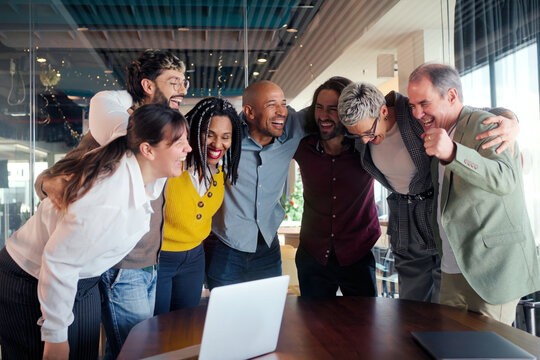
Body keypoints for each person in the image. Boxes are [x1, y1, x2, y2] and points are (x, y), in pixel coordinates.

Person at [0, 104, 191, 360]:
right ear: (147, 150)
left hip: (81, 279)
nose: (188, 149)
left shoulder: (148, 173)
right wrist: (55, 337)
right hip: (30, 276)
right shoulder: (107, 198)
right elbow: (59, 264)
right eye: (180, 143)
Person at [34, 49, 189, 359]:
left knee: (132, 346)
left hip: (149, 259)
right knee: (133, 349)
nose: (183, 89)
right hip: (120, 265)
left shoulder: (166, 129)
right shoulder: (116, 123)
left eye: (184, 81)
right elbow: (51, 178)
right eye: (174, 81)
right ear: (148, 85)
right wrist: (48, 185)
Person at [338, 80, 519, 303]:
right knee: (411, 305)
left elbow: (480, 115)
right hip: (404, 223)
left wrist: (511, 121)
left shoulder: (415, 114)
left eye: (369, 132)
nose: (365, 140)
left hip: (439, 213)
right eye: (358, 136)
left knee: (446, 302)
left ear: (383, 110)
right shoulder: (364, 132)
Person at [407, 63, 540, 324]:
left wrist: (454, 153)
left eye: (424, 103)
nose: (417, 113)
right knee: (451, 348)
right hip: (453, 267)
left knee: (491, 350)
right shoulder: (439, 134)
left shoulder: (485, 123)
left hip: (492, 268)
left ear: (452, 96)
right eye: (412, 105)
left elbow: (505, 179)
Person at [205, 80, 307, 289]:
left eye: (283, 103)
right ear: (249, 112)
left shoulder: (292, 128)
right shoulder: (228, 138)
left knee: (267, 314)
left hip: (268, 247)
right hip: (226, 246)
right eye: (272, 104)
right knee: (224, 316)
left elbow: (326, 114)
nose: (282, 112)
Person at [293, 76, 380, 297]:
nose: (323, 116)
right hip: (313, 255)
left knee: (364, 326)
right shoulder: (303, 148)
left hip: (358, 253)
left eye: (332, 109)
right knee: (314, 328)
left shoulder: (367, 148)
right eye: (319, 108)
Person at [154, 97, 242, 314]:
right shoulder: (172, 164)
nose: (217, 144)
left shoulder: (220, 171)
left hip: (194, 258)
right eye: (209, 134)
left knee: (185, 327)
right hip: (159, 258)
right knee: (155, 330)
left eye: (225, 137)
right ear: (194, 130)